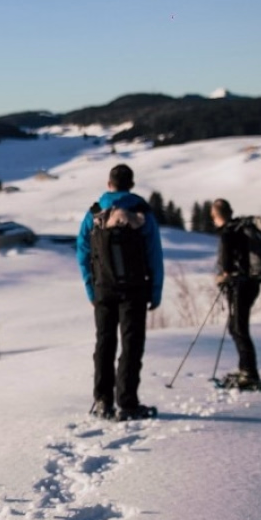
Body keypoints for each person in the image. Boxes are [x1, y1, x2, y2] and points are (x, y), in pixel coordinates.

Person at [77, 164, 163, 420]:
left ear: (109, 183)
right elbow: (155, 255)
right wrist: (155, 292)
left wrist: (91, 290)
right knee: (131, 344)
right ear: (131, 184)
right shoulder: (142, 212)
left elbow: (82, 253)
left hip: (103, 289)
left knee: (104, 342)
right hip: (135, 289)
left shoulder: (94, 214)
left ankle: (103, 401)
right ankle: (127, 403)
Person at [210, 199, 261, 389]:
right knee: (236, 327)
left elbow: (226, 265)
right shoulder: (240, 229)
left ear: (216, 215)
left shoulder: (228, 233)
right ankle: (246, 369)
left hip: (239, 285)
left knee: (238, 328)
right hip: (250, 284)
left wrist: (223, 277)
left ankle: (250, 373)